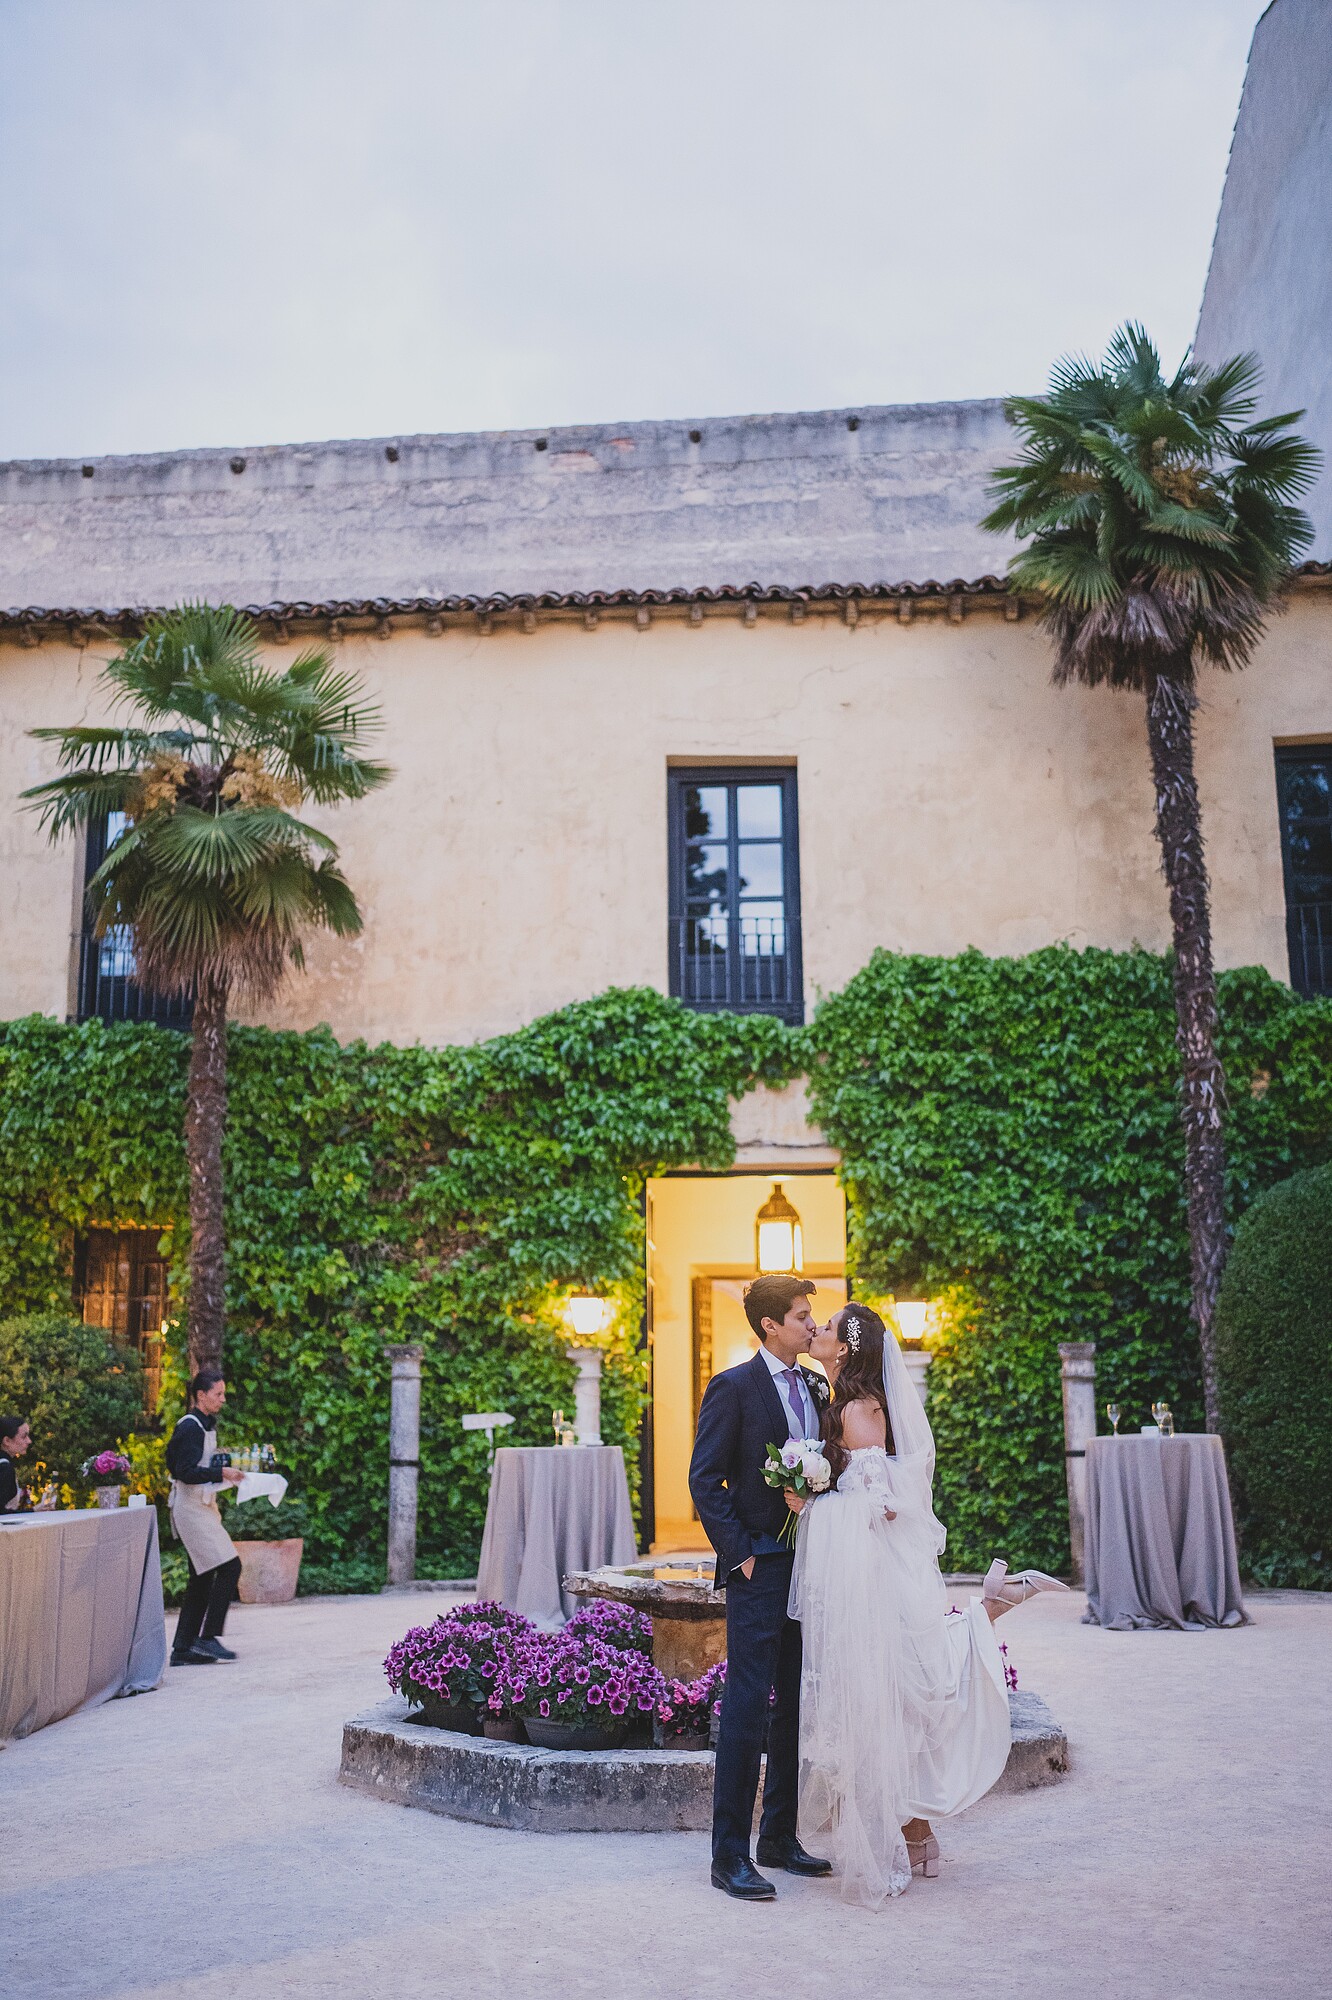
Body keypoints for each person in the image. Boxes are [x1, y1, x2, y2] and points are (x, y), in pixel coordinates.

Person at [788, 1303, 1067, 1907]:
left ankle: (989, 1610)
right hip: (862, 1576)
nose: (818, 1331)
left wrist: (810, 1498)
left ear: (848, 1347)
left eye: (828, 1326)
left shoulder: (861, 1412)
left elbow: (878, 1505)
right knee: (889, 1702)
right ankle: (919, 1836)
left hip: (872, 1577)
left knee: (890, 1700)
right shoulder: (836, 1400)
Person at [688, 1273, 833, 1901]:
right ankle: (729, 1856)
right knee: (748, 1706)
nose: (810, 1324)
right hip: (759, 1566)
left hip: (811, 1567)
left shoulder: (814, 1386)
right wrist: (741, 1555)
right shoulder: (734, 1388)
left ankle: (779, 1836)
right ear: (770, 1325)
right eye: (802, 1316)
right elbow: (705, 1479)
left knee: (795, 1702)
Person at [166, 1368, 244, 1665]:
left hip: (201, 1507)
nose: (223, 1399)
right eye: (218, 1394)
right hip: (190, 1509)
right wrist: (219, 1472)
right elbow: (182, 1471)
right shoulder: (190, 1427)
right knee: (229, 1566)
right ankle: (208, 1638)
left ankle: (183, 1649)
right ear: (201, 1395)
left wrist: (221, 1474)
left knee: (201, 1575)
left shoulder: (202, 1425)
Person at [0, 1415, 31, 1511]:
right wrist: (33, 1510)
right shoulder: (4, 1468)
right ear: (7, 1441)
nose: (29, 1441)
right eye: (24, 1436)